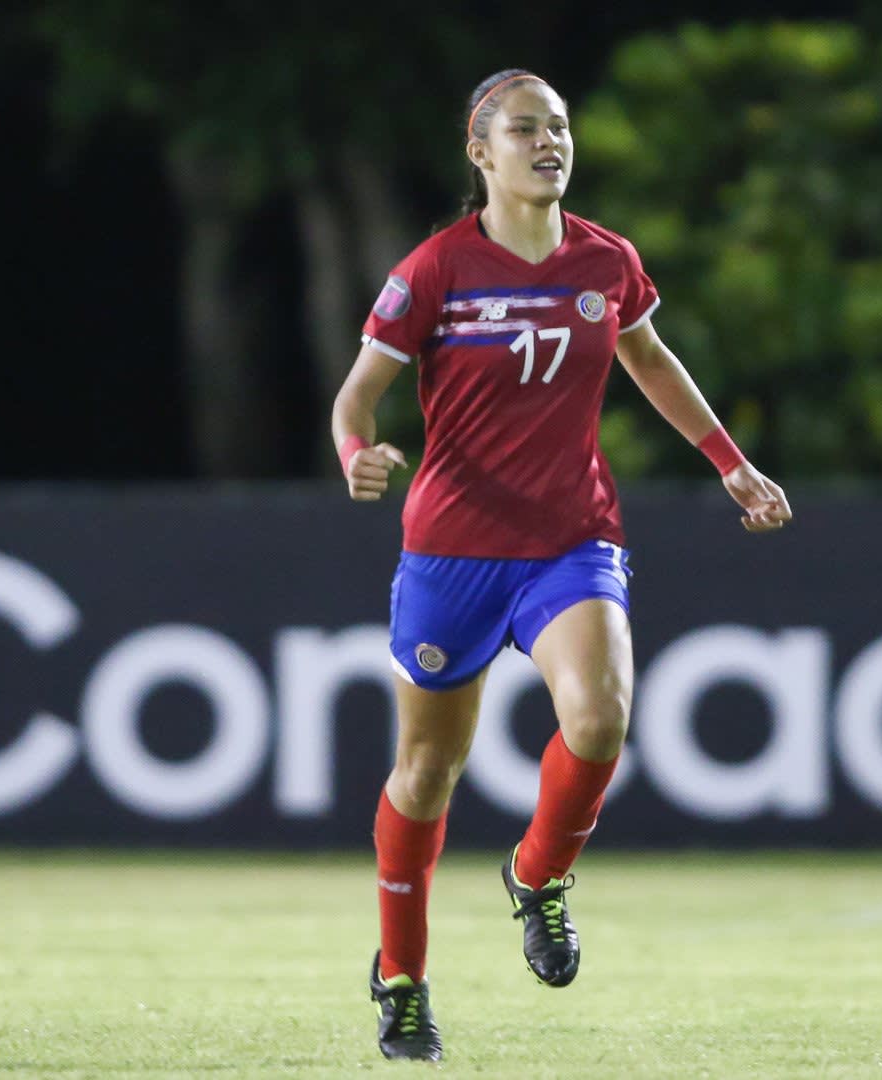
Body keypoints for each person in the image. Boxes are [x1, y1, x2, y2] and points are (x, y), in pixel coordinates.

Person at [331, 68, 793, 1063]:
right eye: (527, 129)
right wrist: (356, 454)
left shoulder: (606, 260)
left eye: (560, 127)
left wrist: (733, 466)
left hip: (570, 539)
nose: (550, 143)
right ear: (479, 151)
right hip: (450, 550)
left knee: (600, 715)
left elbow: (651, 359)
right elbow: (357, 397)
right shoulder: (436, 269)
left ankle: (537, 877)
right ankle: (402, 978)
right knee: (427, 771)